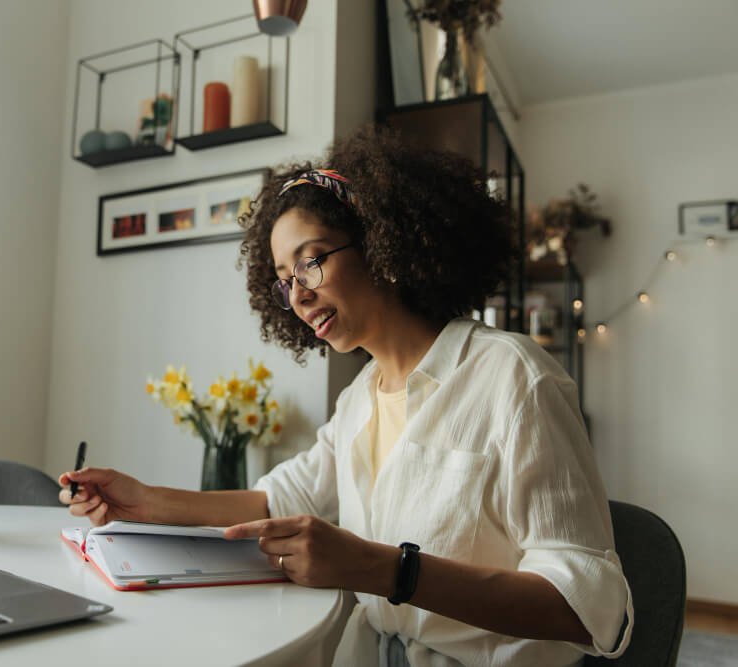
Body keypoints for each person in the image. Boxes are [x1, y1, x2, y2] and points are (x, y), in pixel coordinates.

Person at [59, 124, 633, 667]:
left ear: (383, 242)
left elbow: (588, 608)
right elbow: (277, 501)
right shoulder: (361, 397)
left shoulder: (513, 377)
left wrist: (388, 571)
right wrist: (145, 501)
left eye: (311, 261)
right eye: (285, 280)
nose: (300, 294)